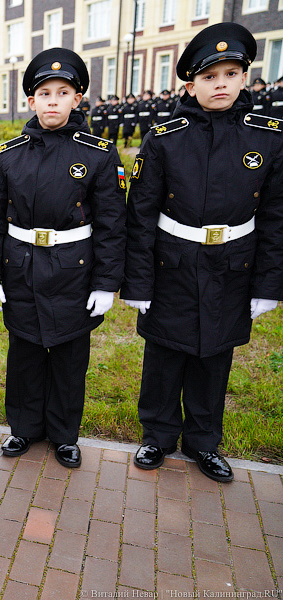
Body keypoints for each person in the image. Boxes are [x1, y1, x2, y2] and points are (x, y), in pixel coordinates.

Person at [121, 23, 283, 483]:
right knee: (165, 356)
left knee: (214, 358)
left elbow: (275, 216)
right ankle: (157, 434)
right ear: (191, 84)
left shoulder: (268, 137)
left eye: (231, 74)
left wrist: (269, 283)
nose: (221, 85)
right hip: (173, 262)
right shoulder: (165, 136)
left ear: (244, 78)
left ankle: (203, 441)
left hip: (234, 264)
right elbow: (141, 214)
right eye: (210, 77)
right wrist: (137, 283)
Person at [0, 49, 127, 469]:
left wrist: (105, 282)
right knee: (24, 354)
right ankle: (23, 428)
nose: (53, 101)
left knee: (69, 357)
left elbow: (113, 225)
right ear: (31, 101)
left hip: (73, 271)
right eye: (44, 93)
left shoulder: (99, 153)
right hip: (20, 268)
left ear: (77, 99)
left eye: (63, 92)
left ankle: (64, 435)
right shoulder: (8, 155)